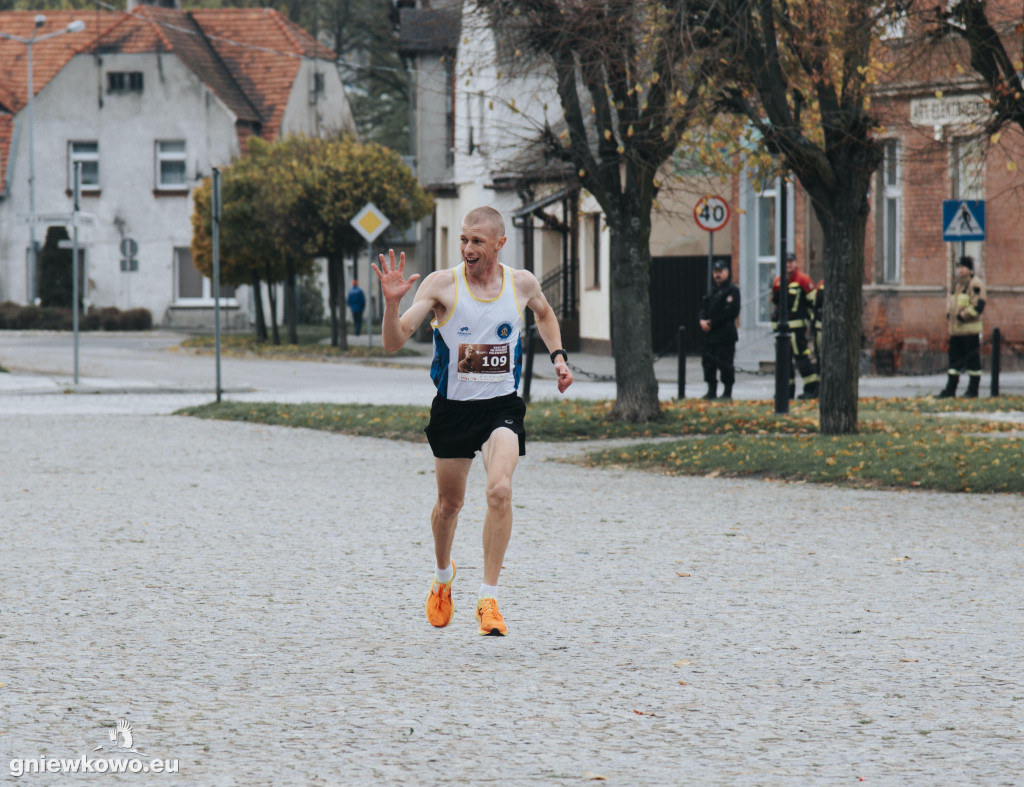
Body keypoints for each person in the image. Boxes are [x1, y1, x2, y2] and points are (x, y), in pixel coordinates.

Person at [373, 206, 574, 636]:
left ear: (500, 244)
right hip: (453, 409)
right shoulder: (442, 285)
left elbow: (543, 312)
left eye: (477, 241)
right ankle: (443, 577)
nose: (467, 248)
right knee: (450, 505)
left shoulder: (521, 283)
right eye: (463, 239)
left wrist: (558, 357)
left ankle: (489, 598)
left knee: (500, 490)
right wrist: (392, 307)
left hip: (501, 406)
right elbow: (394, 341)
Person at [771, 251, 819, 399]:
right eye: (786, 262)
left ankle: (811, 389)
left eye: (791, 261)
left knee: (802, 359)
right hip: (781, 329)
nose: (788, 264)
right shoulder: (778, 281)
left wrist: (811, 322)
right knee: (783, 362)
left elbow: (813, 303)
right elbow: (776, 305)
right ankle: (786, 392)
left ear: (796, 263)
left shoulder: (803, 280)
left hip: (798, 329)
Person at [937, 256, 986, 398]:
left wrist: (963, 316)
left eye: (963, 267)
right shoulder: (958, 285)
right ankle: (950, 390)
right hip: (956, 331)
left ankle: (973, 390)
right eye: (958, 267)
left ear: (970, 270)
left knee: (972, 362)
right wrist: (949, 315)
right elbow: (954, 304)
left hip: (970, 331)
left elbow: (978, 306)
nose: (960, 270)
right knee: (954, 362)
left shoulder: (975, 284)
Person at [698, 258, 741, 400]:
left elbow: (730, 312)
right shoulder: (711, 291)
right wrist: (702, 320)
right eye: (715, 272)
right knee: (708, 364)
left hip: (725, 334)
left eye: (720, 272)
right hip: (710, 336)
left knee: (725, 364)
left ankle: (727, 392)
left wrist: (712, 323)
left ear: (727, 273)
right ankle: (712, 390)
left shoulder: (732, 291)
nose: (717, 275)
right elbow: (704, 308)